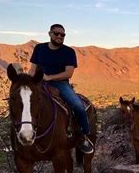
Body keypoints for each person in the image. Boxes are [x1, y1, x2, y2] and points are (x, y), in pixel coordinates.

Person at [29, 24, 93, 154]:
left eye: (62, 35)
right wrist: (30, 82)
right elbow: (32, 69)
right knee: (21, 103)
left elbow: (68, 73)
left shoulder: (68, 52)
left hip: (60, 84)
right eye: (56, 33)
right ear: (50, 34)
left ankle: (84, 136)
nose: (59, 36)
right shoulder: (39, 48)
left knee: (78, 106)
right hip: (39, 82)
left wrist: (49, 77)